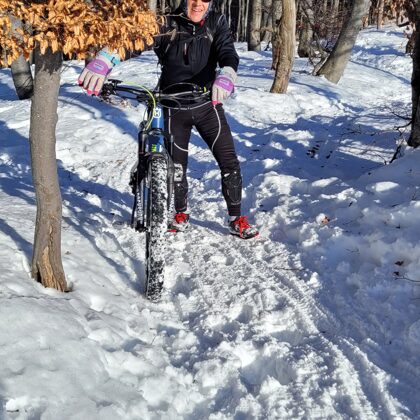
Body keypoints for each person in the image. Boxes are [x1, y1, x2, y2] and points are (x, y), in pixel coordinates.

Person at [78, 0, 259, 239]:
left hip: (207, 105)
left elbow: (227, 52)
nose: (198, 4)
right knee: (176, 168)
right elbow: (137, 41)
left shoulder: (217, 22)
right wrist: (107, 57)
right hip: (173, 106)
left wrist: (227, 73)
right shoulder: (167, 23)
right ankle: (180, 213)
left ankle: (236, 218)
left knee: (229, 162)